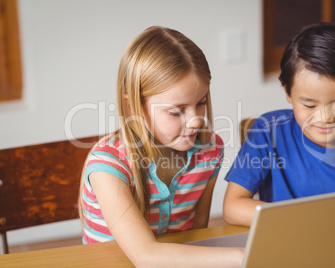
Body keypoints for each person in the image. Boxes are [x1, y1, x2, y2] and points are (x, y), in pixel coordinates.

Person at [78, 26, 243, 267]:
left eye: (201, 103)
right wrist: (245, 257)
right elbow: (147, 257)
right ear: (132, 107)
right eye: (176, 111)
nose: (195, 120)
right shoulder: (107, 165)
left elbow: (198, 235)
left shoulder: (210, 150)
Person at [223, 22, 335, 227]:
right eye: (309, 105)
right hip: (284, 242)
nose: (324, 118)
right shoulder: (267, 132)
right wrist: (307, 222)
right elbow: (232, 207)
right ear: (287, 91)